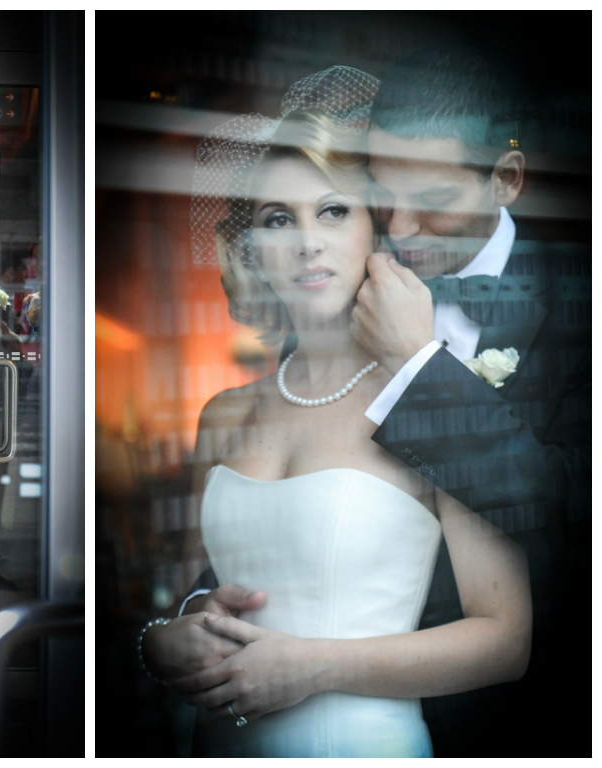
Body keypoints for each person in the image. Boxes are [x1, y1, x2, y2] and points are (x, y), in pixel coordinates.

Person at [168, 48, 590, 756]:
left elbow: (573, 519)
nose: (402, 228)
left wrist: (421, 367)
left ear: (506, 180)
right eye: (383, 198)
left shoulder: (584, 305)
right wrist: (181, 626)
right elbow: (276, 545)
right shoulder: (304, 355)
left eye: (431, 203)